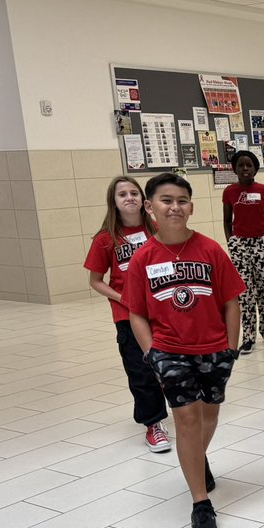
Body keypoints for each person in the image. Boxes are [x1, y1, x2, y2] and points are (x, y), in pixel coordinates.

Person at [124, 173, 245, 528]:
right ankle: (201, 503)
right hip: (169, 350)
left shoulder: (210, 250)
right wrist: (152, 353)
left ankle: (195, 458)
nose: (174, 207)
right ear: (150, 207)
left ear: (191, 207)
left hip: (213, 349)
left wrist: (230, 348)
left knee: (209, 413)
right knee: (187, 417)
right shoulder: (144, 257)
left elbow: (231, 301)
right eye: (165, 200)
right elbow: (136, 312)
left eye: (181, 200)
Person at [83, 176, 171, 452]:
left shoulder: (158, 230)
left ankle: (184, 409)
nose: (129, 197)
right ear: (114, 202)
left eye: (134, 192)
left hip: (163, 310)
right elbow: (96, 281)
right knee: (141, 371)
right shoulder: (105, 239)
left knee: (170, 365)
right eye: (122, 194)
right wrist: (125, 299)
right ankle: (153, 424)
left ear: (145, 201)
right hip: (128, 316)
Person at [222, 149, 264, 354]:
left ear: (255, 168)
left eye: (249, 165)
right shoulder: (229, 191)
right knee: (244, 293)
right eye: (241, 165)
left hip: (262, 243)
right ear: (234, 168)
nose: (245, 169)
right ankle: (248, 337)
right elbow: (227, 221)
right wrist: (232, 243)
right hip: (240, 245)